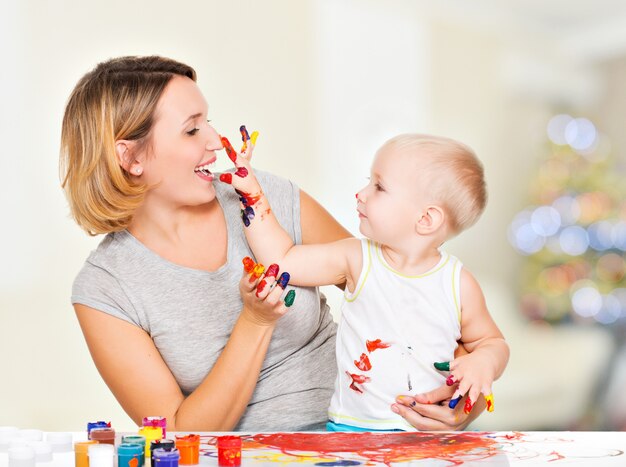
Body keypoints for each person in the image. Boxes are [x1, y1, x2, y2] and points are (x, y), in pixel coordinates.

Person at [60, 55, 483, 432]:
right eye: (191, 130)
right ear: (130, 158)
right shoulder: (105, 289)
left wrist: (469, 399)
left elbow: (405, 289)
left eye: (208, 120)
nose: (214, 140)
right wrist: (256, 321)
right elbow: (179, 435)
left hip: (366, 431)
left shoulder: (266, 200)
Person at [221, 133, 509, 431]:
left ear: (426, 219)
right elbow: (282, 259)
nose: (361, 193)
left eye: (379, 187)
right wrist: (252, 195)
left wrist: (484, 362)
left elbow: (492, 342)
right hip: (351, 432)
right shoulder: (357, 259)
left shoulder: (457, 283)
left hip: (428, 437)